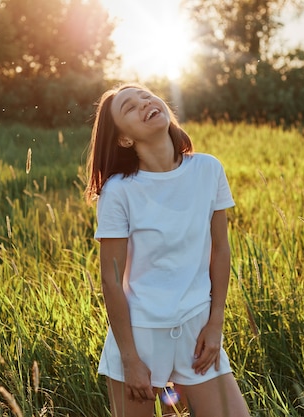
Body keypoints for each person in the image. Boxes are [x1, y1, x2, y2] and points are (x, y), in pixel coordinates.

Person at [85, 83, 252, 417]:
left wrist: (215, 321)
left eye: (145, 95)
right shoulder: (119, 192)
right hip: (139, 337)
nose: (144, 102)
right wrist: (130, 359)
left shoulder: (208, 169)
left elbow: (220, 251)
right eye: (129, 107)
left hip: (197, 332)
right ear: (124, 139)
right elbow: (111, 280)